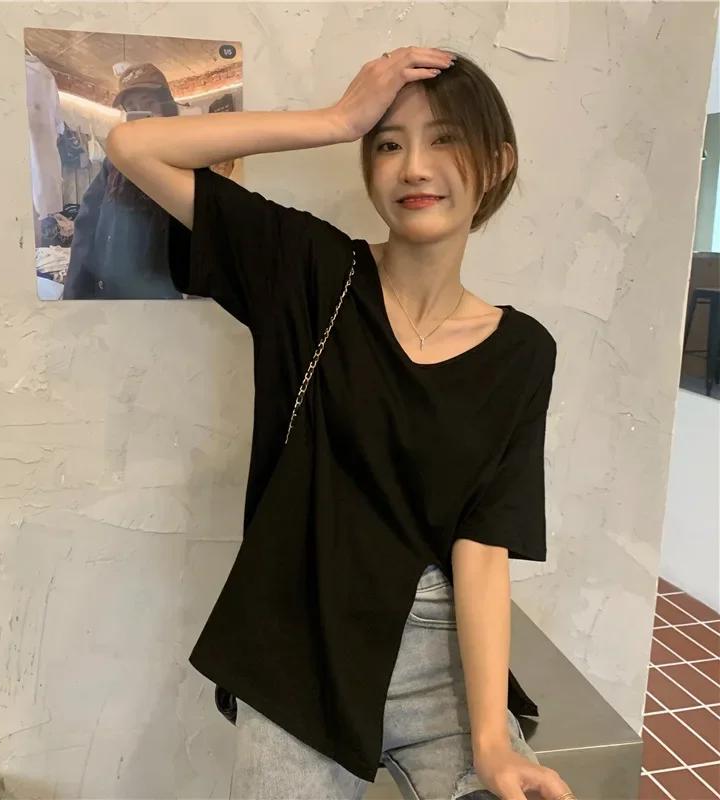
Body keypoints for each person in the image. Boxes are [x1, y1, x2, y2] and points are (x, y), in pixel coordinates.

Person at [106, 46, 576, 800]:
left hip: (441, 659)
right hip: (300, 646)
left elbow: (485, 545)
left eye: (446, 139)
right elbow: (134, 146)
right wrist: (337, 119)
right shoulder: (311, 272)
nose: (415, 167)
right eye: (388, 145)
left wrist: (491, 739)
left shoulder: (523, 351)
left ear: (497, 163)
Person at [62, 63, 184, 299]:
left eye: (149, 104)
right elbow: (87, 225)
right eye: (133, 109)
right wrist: (74, 296)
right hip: (109, 293)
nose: (142, 114)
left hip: (161, 298)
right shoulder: (116, 162)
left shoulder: (187, 159)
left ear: (166, 106)